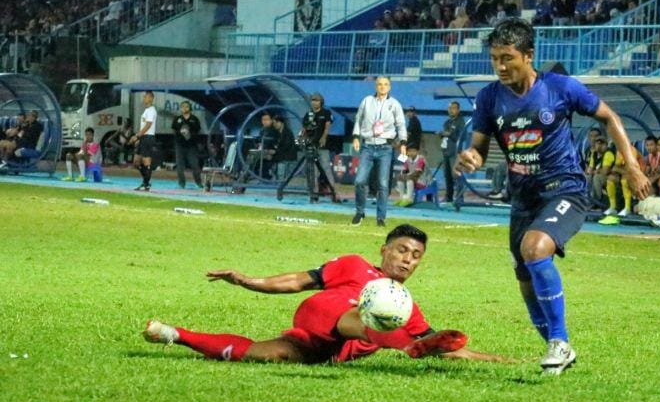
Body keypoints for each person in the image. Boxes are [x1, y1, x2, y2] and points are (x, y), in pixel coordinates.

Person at [455, 18, 651, 375]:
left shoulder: (559, 88)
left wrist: (633, 166)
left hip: (565, 189)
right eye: (495, 58)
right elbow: (478, 149)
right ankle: (557, 349)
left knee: (535, 249)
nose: (500, 66)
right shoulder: (488, 98)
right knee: (524, 274)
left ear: (529, 55)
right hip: (523, 197)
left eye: (508, 58)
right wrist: (471, 157)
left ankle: (559, 342)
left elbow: (609, 117)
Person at [142, 224, 508, 365]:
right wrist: (247, 281)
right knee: (370, 312)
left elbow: (450, 348)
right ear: (384, 250)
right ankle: (409, 347)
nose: (407, 260)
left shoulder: (408, 310)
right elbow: (297, 281)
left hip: (321, 347)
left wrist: (501, 361)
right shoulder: (353, 265)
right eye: (401, 250)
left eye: (415, 257)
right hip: (326, 312)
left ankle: (174, 334)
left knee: (263, 355)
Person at [351, 77, 407, 227]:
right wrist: (356, 137)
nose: (382, 87)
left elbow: (401, 124)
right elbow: (358, 119)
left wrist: (403, 142)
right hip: (367, 146)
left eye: (386, 84)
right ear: (376, 86)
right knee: (359, 181)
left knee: (383, 184)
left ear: (390, 87)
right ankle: (360, 212)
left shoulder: (394, 104)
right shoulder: (367, 101)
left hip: (385, 148)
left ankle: (381, 217)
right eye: (380, 84)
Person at [301, 93, 338, 199]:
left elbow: (327, 127)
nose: (314, 102)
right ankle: (314, 193)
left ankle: (334, 193)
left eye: (316, 100)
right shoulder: (308, 114)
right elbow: (304, 129)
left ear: (321, 101)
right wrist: (303, 138)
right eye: (313, 100)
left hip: (322, 146)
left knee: (326, 169)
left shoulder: (326, 113)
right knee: (313, 171)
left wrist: (324, 137)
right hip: (310, 145)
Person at [439, 101, 466, 203]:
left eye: (453, 108)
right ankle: (448, 197)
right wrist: (442, 134)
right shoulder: (447, 122)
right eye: (449, 108)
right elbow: (446, 136)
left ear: (458, 110)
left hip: (455, 153)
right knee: (447, 176)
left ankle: (459, 198)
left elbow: (462, 137)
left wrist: (448, 134)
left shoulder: (461, 122)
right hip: (446, 151)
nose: (451, 110)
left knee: (456, 175)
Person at [129, 91, 157, 191]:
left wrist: (137, 136)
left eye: (146, 96)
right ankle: (146, 182)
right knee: (136, 162)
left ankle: (146, 184)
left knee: (146, 162)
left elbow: (148, 125)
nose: (144, 98)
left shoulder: (151, 110)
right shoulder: (147, 110)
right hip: (143, 138)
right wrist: (140, 138)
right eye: (144, 97)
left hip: (148, 138)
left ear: (151, 98)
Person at [171, 100, 202, 189]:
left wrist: (190, 136)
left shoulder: (194, 119)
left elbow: (198, 131)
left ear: (190, 108)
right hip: (180, 145)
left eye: (186, 106)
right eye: (183, 106)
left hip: (191, 146)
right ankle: (181, 183)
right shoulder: (177, 119)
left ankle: (198, 182)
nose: (185, 108)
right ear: (181, 108)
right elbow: (173, 130)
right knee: (179, 165)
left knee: (195, 165)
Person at [271, 114, 297, 182]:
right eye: (273, 123)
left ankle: (280, 186)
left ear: (280, 122)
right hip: (281, 156)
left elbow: (286, 146)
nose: (274, 125)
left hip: (286, 157)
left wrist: (275, 151)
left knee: (281, 173)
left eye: (275, 123)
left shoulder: (287, 132)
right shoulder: (277, 133)